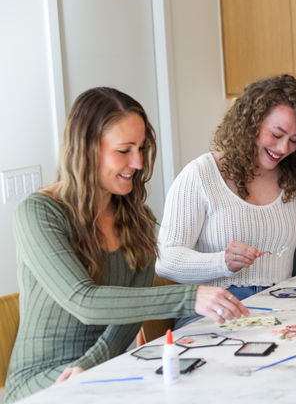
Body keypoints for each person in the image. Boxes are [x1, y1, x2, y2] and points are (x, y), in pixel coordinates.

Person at [5, 87, 248, 403]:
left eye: (142, 148)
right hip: (42, 380)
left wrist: (89, 365)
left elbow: (131, 313)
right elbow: (84, 301)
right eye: (124, 151)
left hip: (104, 367)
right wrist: (190, 296)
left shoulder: (137, 217)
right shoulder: (38, 212)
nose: (137, 162)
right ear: (87, 150)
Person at [156, 74, 296, 324]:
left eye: (295, 141)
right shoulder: (201, 175)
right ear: (251, 125)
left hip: (280, 303)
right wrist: (220, 262)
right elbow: (166, 261)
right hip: (215, 309)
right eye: (277, 135)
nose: (283, 149)